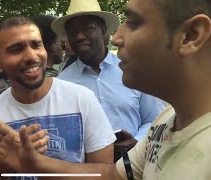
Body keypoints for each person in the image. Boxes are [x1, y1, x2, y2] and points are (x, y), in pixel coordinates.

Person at [0, 0, 211, 179]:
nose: (119, 37)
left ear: (192, 35)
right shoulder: (165, 125)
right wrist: (35, 163)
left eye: (133, 22)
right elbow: (111, 175)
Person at [0, 16, 116, 180]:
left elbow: (106, 174)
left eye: (36, 45)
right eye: (16, 49)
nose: (32, 56)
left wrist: (38, 163)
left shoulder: (82, 99)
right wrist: (3, 162)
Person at [53, 0, 165, 155]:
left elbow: (155, 119)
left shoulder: (135, 70)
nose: (79, 36)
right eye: (73, 31)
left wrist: (136, 143)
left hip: (136, 166)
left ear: (103, 30)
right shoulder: (62, 83)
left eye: (88, 28)